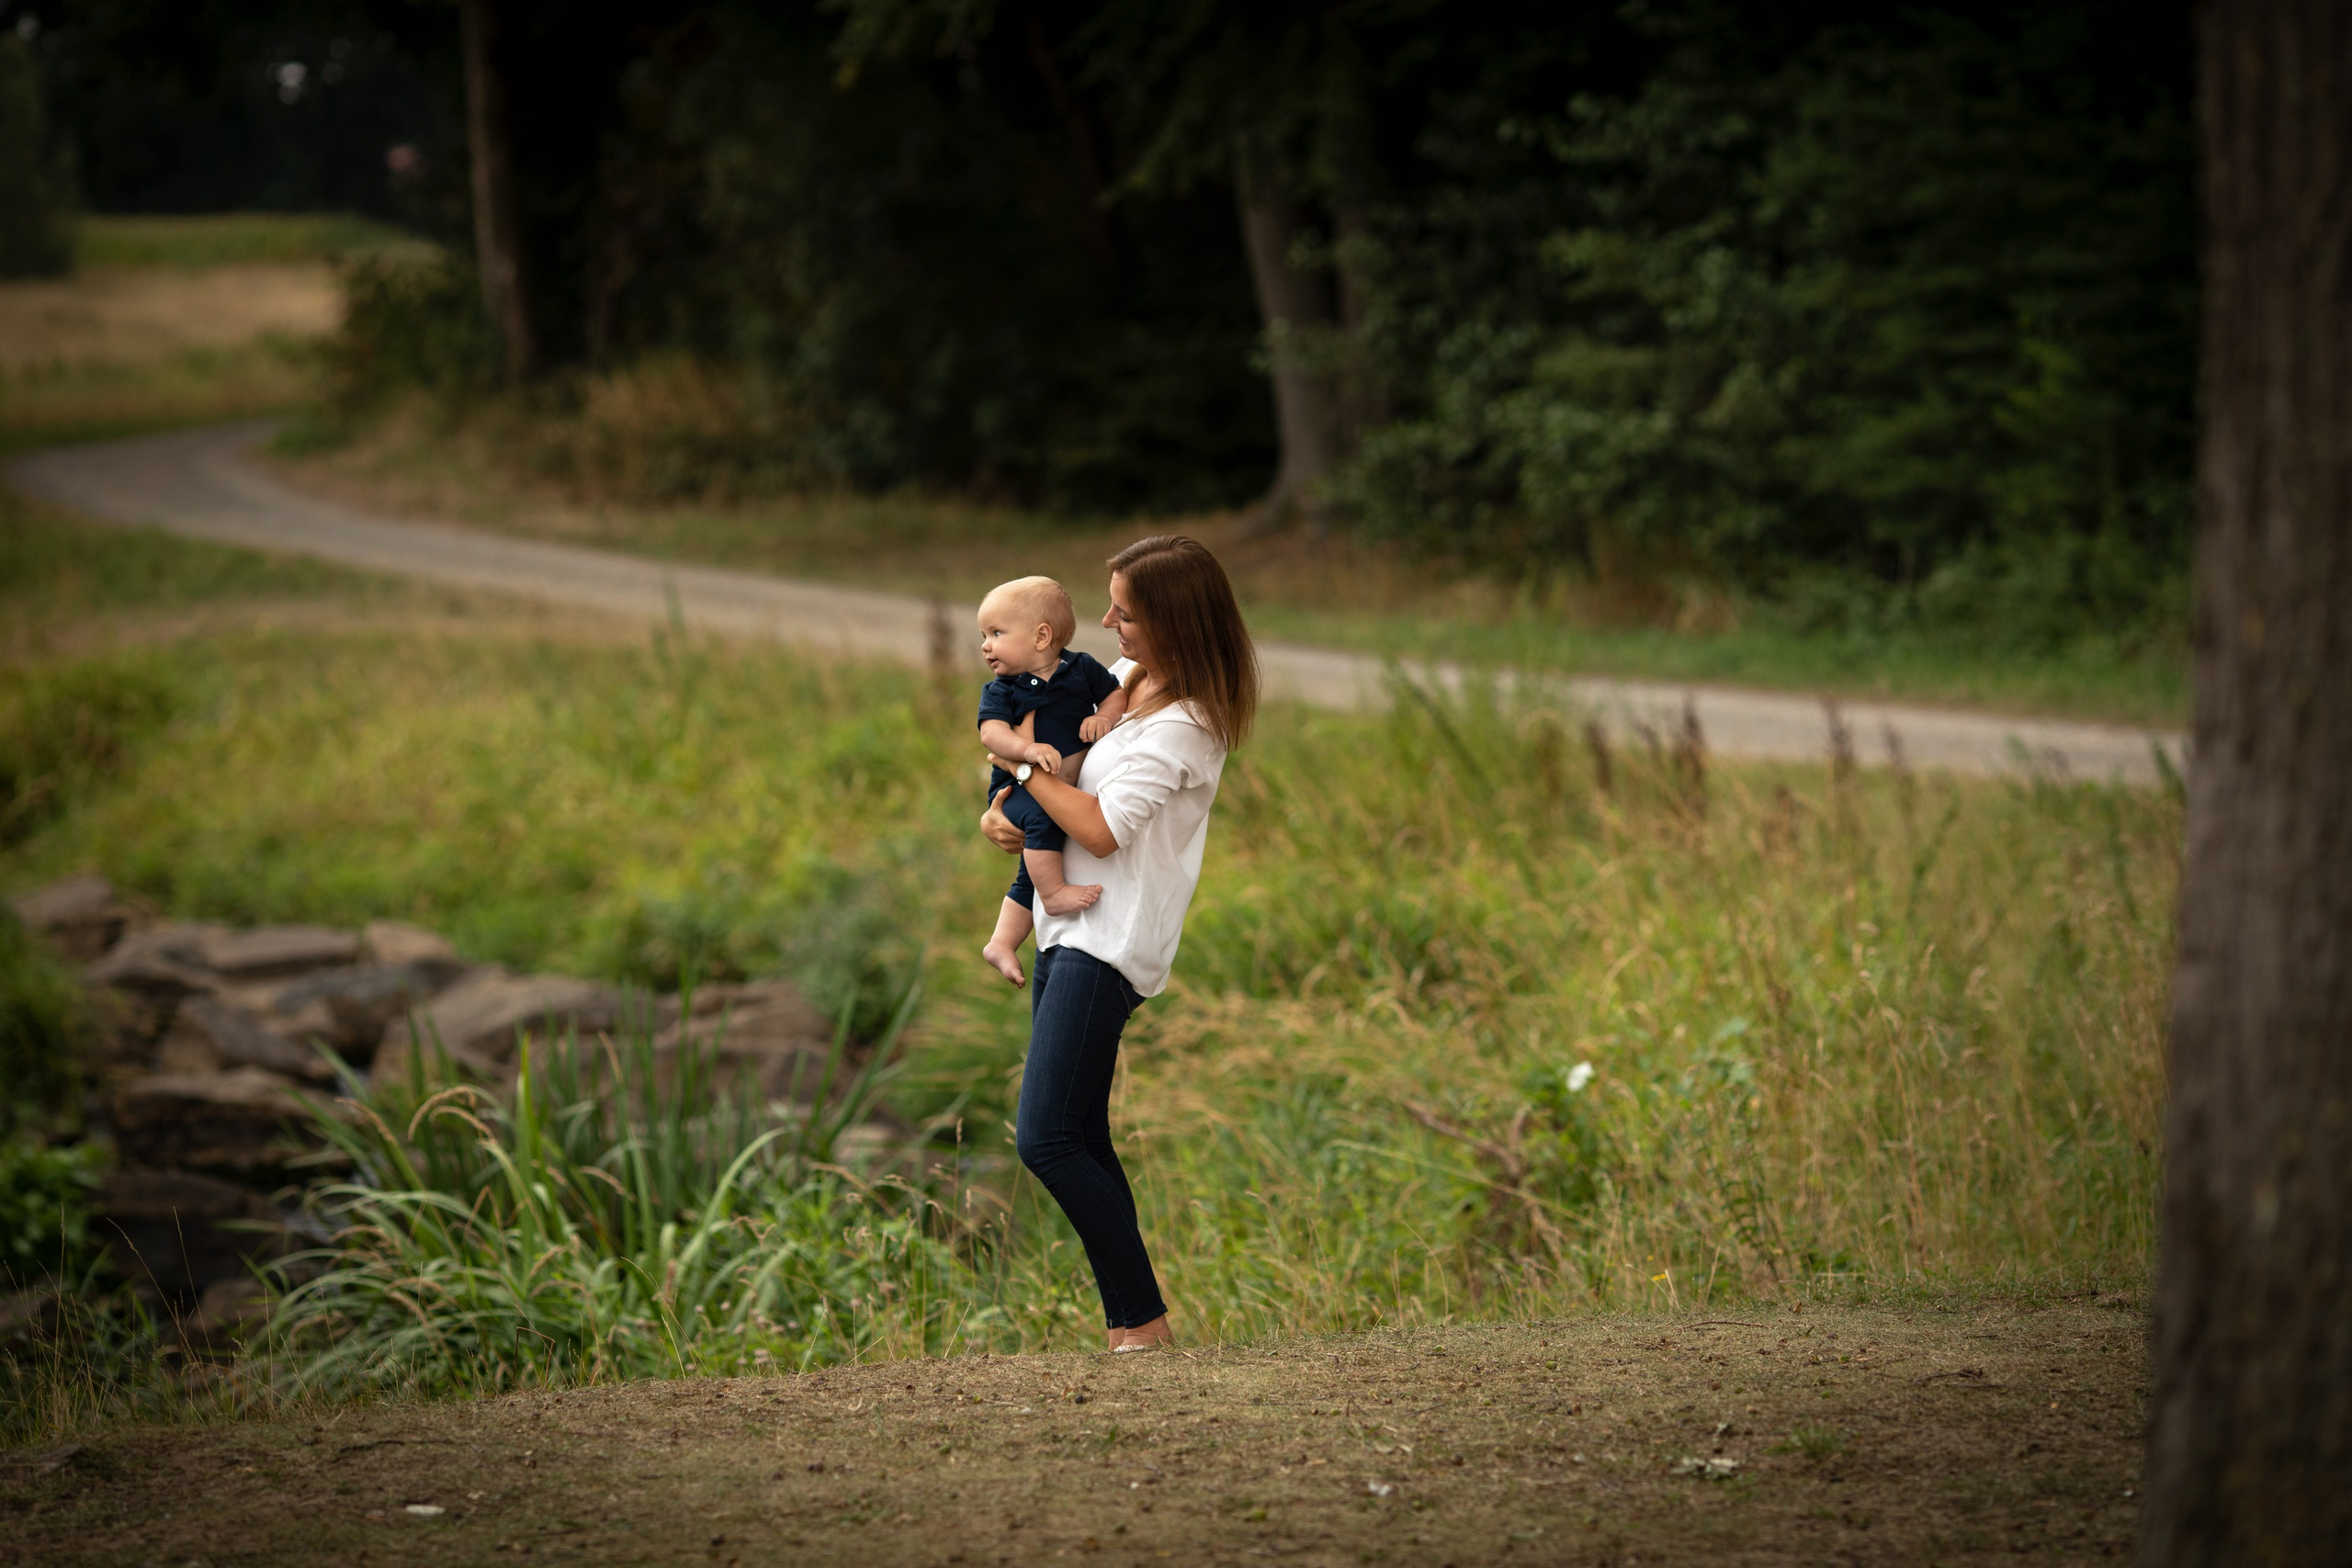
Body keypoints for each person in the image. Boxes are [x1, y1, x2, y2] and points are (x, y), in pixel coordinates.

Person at [978, 535, 1258, 1352]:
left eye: (1125, 612)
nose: (1106, 622)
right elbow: (1049, 770)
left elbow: (1097, 829)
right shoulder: (1126, 682)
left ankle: (1141, 1325)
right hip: (1069, 927)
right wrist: (1004, 812)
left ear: (1173, 620)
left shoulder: (1188, 727)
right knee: (1083, 1135)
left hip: (1109, 941)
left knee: (1048, 1138)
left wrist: (1029, 779)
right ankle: (1135, 1328)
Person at [973, 575, 1131, 987]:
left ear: (1042, 636)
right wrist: (1025, 751)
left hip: (1056, 792)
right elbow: (991, 734)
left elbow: (1115, 695)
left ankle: (1002, 942)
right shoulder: (1002, 689)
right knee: (1043, 828)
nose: (986, 644)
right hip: (1018, 790)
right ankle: (1054, 893)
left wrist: (1103, 716)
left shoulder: (1082, 669)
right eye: (984, 635)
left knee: (1034, 865)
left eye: (996, 633)